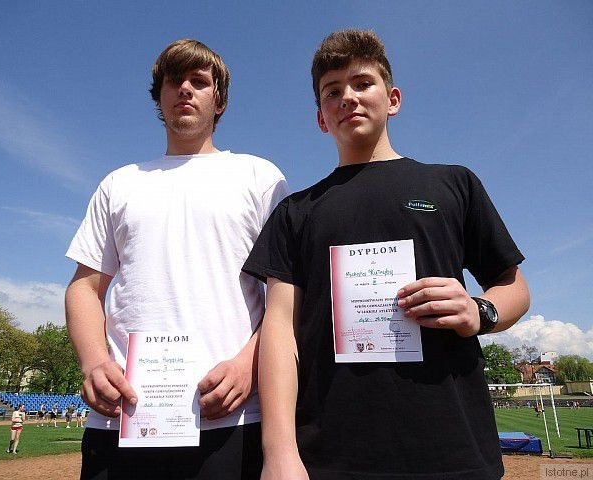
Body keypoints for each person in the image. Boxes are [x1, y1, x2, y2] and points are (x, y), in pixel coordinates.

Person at [243, 29, 531, 479]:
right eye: (332, 91)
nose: (348, 97)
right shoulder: (295, 212)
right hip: (329, 456)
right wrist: (279, 452)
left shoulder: (454, 183)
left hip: (453, 450)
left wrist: (480, 311)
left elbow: (514, 287)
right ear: (321, 118)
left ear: (392, 99)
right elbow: (279, 329)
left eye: (363, 83)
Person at [65, 38, 288, 480]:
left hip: (231, 417)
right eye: (174, 81)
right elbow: (84, 288)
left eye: (199, 81)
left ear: (218, 101)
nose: (185, 88)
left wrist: (251, 363)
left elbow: (286, 295)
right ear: (160, 97)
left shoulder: (260, 177)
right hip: (123, 416)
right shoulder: (119, 183)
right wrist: (94, 362)